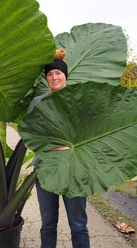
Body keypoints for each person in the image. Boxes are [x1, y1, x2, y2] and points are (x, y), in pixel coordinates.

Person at [27, 49, 90, 248]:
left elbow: (86, 138)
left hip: (74, 171)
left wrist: (54, 144)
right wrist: (63, 145)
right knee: (47, 224)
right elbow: (29, 139)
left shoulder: (78, 101)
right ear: (46, 78)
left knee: (78, 224)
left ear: (65, 75)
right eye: (50, 74)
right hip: (46, 170)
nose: (54, 77)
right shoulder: (38, 102)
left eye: (58, 73)